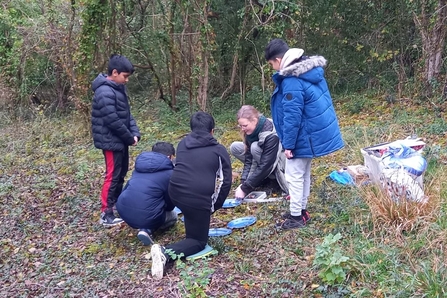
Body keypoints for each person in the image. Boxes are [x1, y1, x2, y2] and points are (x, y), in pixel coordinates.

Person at [264, 38, 344, 230]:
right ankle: (301, 210)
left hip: (302, 135)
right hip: (309, 134)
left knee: (294, 176)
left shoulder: (292, 80)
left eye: (271, 64)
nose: (273, 69)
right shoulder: (307, 71)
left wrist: (289, 144)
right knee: (303, 173)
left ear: (278, 59)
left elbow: (292, 117)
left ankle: (296, 217)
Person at [150, 111, 232, 280]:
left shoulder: (182, 144)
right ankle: (165, 253)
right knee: (199, 241)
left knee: (192, 217)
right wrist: (213, 205)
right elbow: (225, 182)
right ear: (212, 131)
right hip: (197, 199)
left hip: (175, 193)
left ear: (192, 129)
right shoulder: (218, 150)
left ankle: (189, 234)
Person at [91, 54, 141, 227]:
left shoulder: (117, 89)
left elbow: (126, 116)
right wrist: (128, 137)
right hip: (111, 141)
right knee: (112, 175)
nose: (126, 80)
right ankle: (106, 213)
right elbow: (112, 120)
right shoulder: (104, 91)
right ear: (114, 72)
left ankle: (117, 205)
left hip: (120, 140)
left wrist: (135, 133)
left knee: (121, 173)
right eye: (124, 76)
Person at [116, 142, 177, 245]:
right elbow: (170, 202)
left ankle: (143, 225)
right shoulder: (170, 174)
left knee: (149, 206)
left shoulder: (140, 166)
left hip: (123, 210)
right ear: (169, 157)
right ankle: (147, 229)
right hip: (148, 214)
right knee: (173, 215)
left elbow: (128, 187)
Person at [230, 105, 288, 199]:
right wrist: (244, 183)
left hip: (282, 162)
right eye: (240, 126)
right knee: (235, 146)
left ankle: (273, 180)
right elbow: (250, 160)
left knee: (254, 147)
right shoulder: (250, 132)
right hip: (265, 159)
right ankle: (261, 178)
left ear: (254, 120)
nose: (242, 129)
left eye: (244, 126)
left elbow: (267, 164)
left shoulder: (270, 134)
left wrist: (245, 188)